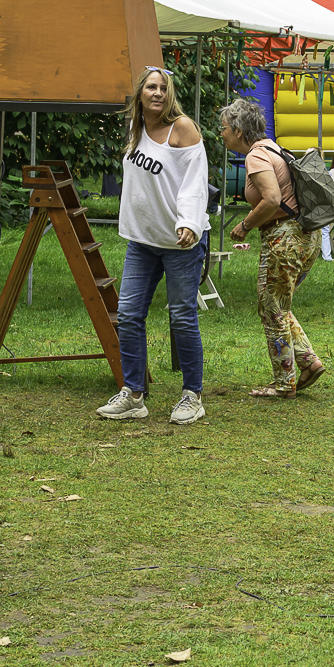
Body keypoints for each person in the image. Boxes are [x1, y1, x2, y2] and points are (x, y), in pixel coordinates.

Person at [103, 66, 210, 425]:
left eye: (164, 88)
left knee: (181, 317)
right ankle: (133, 394)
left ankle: (192, 395)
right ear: (140, 94)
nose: (158, 93)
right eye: (151, 87)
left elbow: (196, 181)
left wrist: (190, 223)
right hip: (143, 242)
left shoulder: (183, 129)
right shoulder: (136, 129)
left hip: (181, 244)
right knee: (130, 314)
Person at [222, 97, 327, 397]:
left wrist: (244, 226)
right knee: (280, 306)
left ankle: (284, 383)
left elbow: (271, 199)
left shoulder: (256, 156)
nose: (222, 133)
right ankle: (308, 362)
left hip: (285, 238)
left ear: (240, 131)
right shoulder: (274, 147)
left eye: (225, 128)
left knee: (271, 309)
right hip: (307, 237)